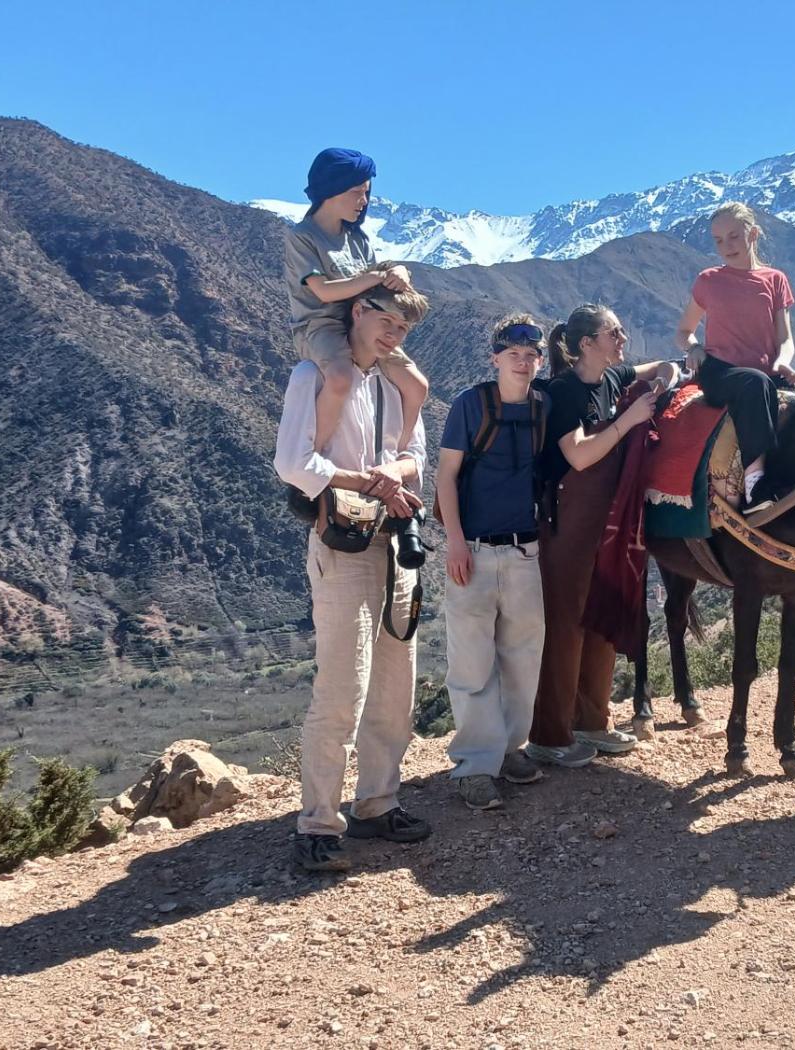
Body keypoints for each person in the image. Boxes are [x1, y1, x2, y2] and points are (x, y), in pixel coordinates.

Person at [273, 284, 433, 873]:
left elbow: (417, 452)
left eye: (403, 329)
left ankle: (377, 803)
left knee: (395, 686)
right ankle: (317, 824)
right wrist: (369, 481)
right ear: (358, 311)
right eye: (386, 320)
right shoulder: (312, 376)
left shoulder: (395, 382)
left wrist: (392, 473)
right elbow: (293, 464)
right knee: (342, 689)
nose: (393, 335)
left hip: (393, 541)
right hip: (342, 544)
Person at [527, 305, 679, 767]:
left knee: (600, 616)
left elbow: (659, 365)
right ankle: (550, 734)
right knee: (566, 623)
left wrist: (667, 376)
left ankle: (592, 722)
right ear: (587, 344)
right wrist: (628, 420)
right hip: (567, 520)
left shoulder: (612, 377)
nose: (623, 340)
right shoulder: (564, 391)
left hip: (606, 520)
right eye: (614, 333)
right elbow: (578, 455)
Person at [437, 315, 552, 811]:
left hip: (525, 549)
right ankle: (473, 766)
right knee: (472, 662)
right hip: (475, 549)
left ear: (539, 361)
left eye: (530, 356)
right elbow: (445, 476)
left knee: (523, 658)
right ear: (495, 359)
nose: (522, 363)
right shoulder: (471, 404)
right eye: (513, 355)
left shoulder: (542, 407)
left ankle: (508, 750)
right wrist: (454, 542)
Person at [284, 147, 429, 454]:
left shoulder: (358, 239)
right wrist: (375, 277)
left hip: (362, 325)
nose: (364, 201)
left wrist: (398, 272)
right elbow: (323, 291)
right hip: (320, 326)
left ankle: (398, 454)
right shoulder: (303, 237)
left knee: (417, 386)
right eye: (356, 192)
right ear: (332, 190)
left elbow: (377, 288)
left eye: (366, 192)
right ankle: (312, 456)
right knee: (340, 379)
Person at [674, 201, 795, 524]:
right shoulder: (708, 280)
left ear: (753, 234)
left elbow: (785, 338)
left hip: (764, 375)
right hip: (720, 373)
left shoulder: (775, 280)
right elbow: (684, 331)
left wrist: (784, 362)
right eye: (718, 240)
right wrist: (694, 348)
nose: (726, 246)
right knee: (753, 383)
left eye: (734, 236)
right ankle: (755, 487)